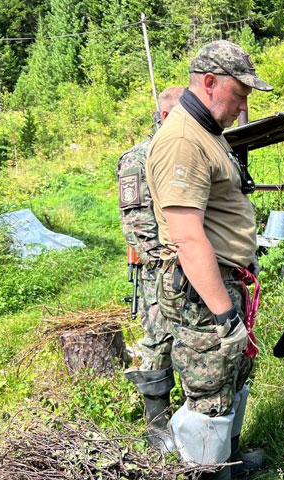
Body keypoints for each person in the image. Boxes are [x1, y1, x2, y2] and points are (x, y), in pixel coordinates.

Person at [146, 40, 272, 480]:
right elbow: (186, 236)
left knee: (232, 377)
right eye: (239, 94)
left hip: (225, 280)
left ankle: (230, 463)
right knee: (209, 394)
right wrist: (223, 315)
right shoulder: (182, 139)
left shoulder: (206, 133)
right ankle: (209, 473)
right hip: (203, 291)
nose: (242, 107)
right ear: (210, 83)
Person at [117, 86, 184, 453]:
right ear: (164, 117)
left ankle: (195, 427)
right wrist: (168, 261)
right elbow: (137, 227)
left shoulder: (183, 152)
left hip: (189, 265)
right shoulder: (139, 158)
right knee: (158, 339)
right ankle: (158, 428)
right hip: (158, 270)